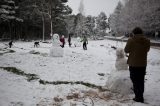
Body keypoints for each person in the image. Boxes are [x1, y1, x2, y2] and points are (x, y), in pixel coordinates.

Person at [124, 27, 150, 103]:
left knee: (135, 80)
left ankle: (138, 97)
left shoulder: (131, 40)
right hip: (142, 64)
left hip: (133, 64)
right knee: (141, 80)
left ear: (134, 33)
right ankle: (140, 96)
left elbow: (126, 50)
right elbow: (147, 50)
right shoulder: (147, 41)